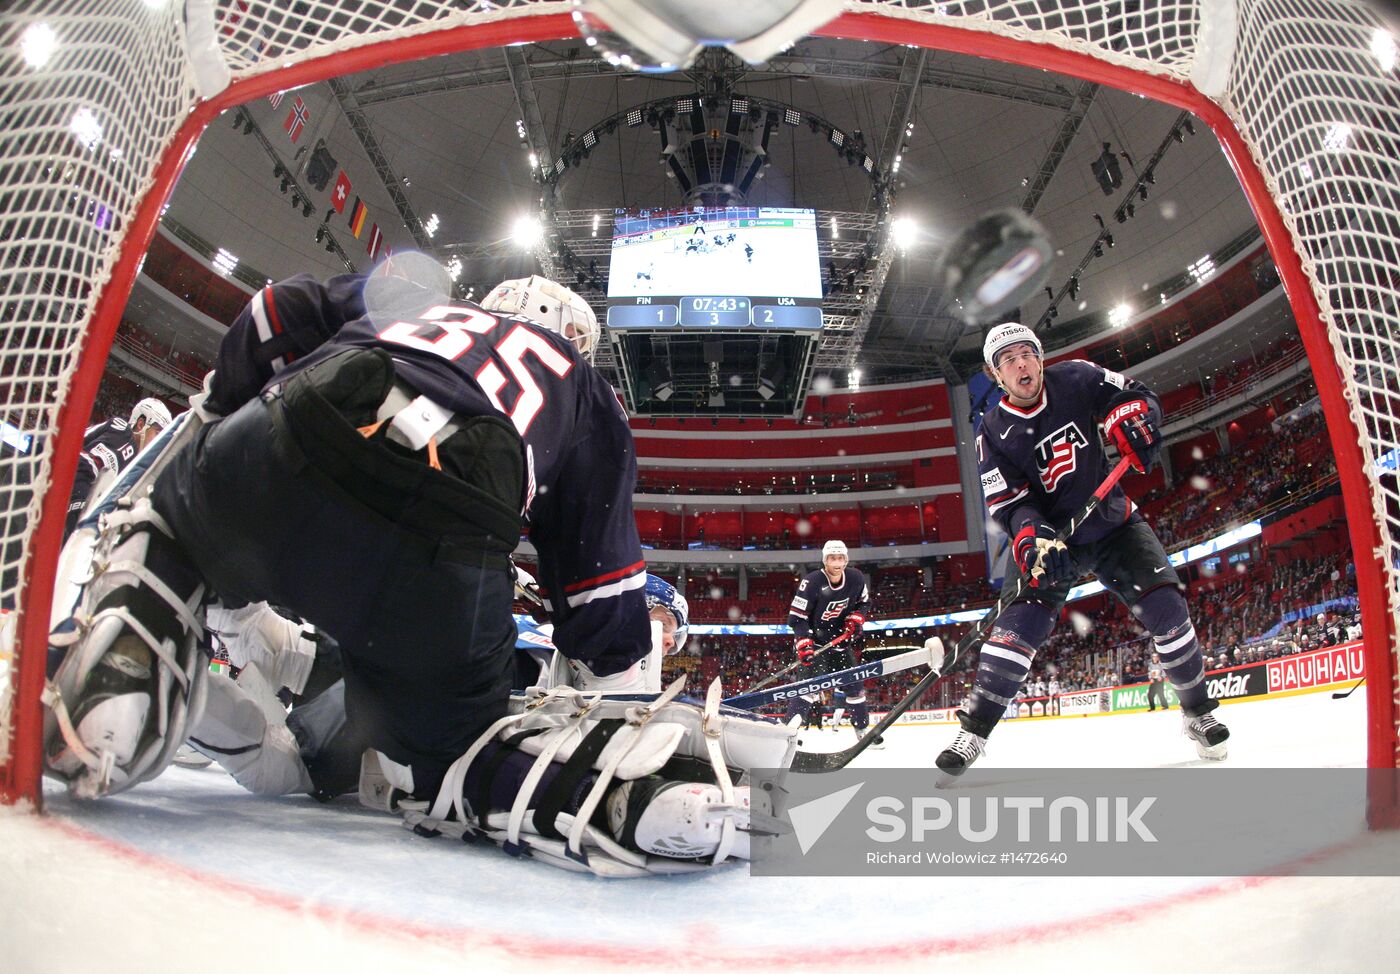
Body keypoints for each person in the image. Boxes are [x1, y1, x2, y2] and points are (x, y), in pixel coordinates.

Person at [938, 322, 1228, 776]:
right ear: (996, 376)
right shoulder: (991, 432)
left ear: (1039, 356)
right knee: (1014, 634)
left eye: (1025, 353)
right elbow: (1011, 504)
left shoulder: (1077, 377)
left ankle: (1198, 713)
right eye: (1007, 360)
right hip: (1050, 543)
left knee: (1168, 609)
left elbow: (1137, 396)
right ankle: (972, 733)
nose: (1019, 364)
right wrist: (1032, 540)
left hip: (1113, 523)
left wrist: (1132, 420)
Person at [784, 540, 879, 743]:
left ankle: (862, 731)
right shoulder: (811, 582)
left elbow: (864, 603)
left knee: (855, 689)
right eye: (832, 558)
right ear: (825, 561)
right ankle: (786, 735)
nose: (836, 562)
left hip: (841, 643)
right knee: (807, 689)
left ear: (846, 560)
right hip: (816, 643)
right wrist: (803, 641)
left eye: (840, 558)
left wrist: (856, 618)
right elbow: (796, 617)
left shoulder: (856, 578)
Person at [63, 397, 172, 538]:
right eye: (158, 433)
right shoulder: (123, 432)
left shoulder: (134, 465)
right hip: (65, 477)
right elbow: (83, 454)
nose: (160, 443)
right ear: (141, 424)